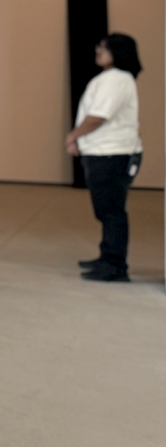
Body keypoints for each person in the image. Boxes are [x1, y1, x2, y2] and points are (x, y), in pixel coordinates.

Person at [66, 33, 143, 283]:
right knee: (106, 210)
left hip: (112, 154)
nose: (98, 50)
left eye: (105, 47)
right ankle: (107, 257)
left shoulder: (117, 79)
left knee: (111, 211)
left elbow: (99, 116)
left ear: (118, 52)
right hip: (103, 153)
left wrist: (73, 136)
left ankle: (115, 266)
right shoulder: (111, 78)